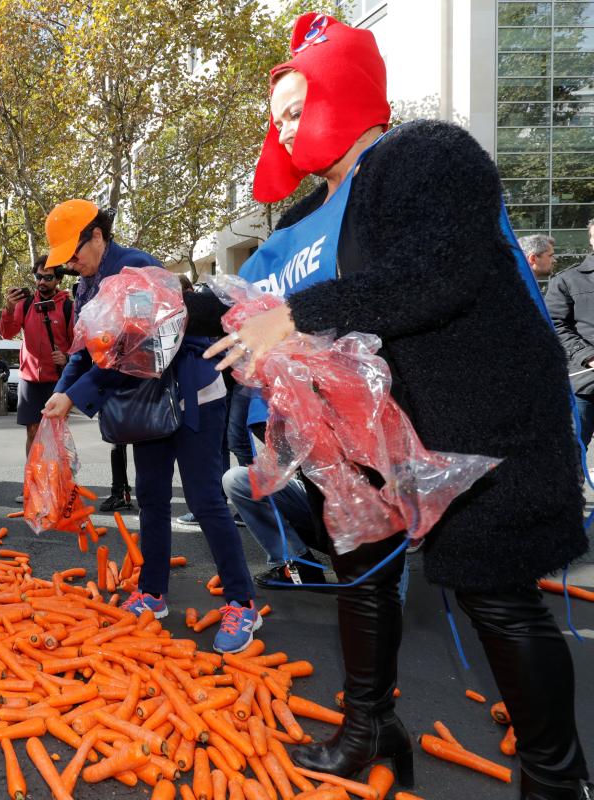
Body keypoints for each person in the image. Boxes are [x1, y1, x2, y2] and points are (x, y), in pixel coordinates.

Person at [204, 15, 589, 798]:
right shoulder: (299, 220)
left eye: (293, 109)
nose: (284, 131)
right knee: (362, 576)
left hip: (480, 421)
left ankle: (556, 779)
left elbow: (436, 271)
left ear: (347, 91)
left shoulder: (426, 155)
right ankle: (369, 727)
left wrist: (297, 317)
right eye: (274, 120)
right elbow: (261, 300)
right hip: (370, 444)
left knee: (499, 599)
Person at [40, 199, 261, 654]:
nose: (70, 263)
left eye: (74, 251)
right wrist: (60, 392)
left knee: (204, 500)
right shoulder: (86, 286)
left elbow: (137, 349)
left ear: (97, 236)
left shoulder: (139, 270)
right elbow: (85, 351)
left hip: (190, 394)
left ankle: (243, 603)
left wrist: (77, 395)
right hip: (145, 403)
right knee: (152, 498)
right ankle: (153, 593)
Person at [0, 257, 74, 451]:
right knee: (32, 432)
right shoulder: (25, 305)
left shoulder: (68, 306)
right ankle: (33, 479)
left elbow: (79, 344)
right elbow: (7, 333)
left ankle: (57, 479)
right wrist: (8, 309)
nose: (41, 282)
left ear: (58, 279)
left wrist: (66, 357)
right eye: (38, 276)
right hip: (30, 379)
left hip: (57, 380)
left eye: (47, 277)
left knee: (56, 434)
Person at [546, 220, 594, 447]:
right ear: (591, 240)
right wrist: (588, 356)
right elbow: (554, 323)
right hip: (585, 384)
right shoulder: (567, 280)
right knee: (573, 453)